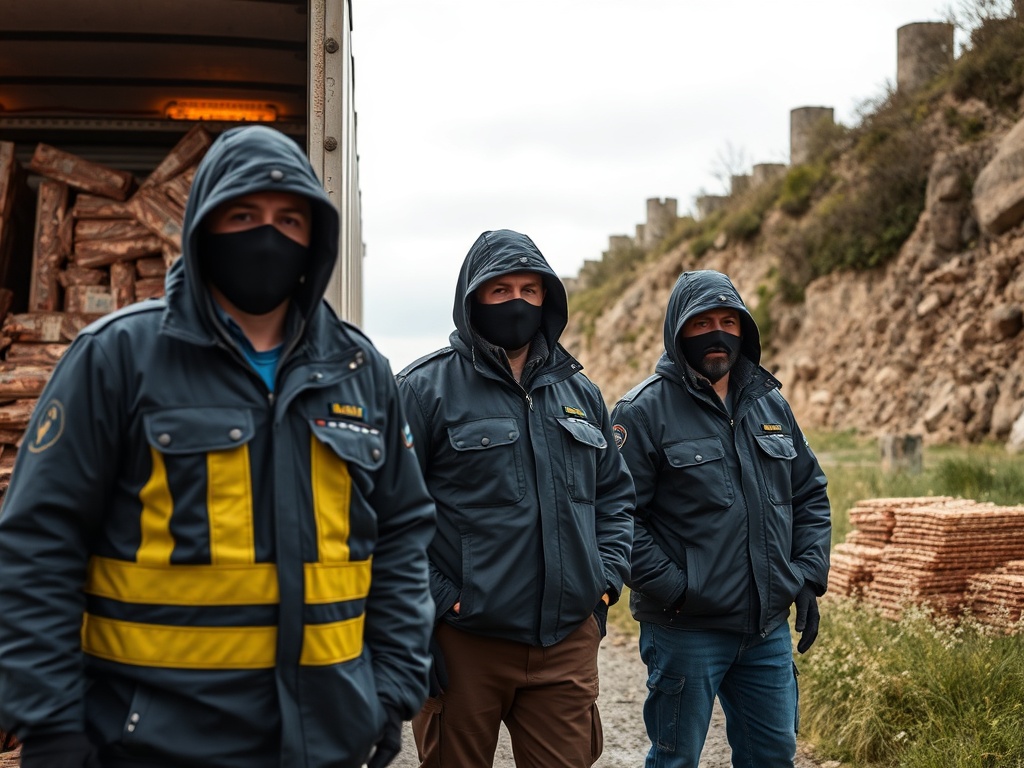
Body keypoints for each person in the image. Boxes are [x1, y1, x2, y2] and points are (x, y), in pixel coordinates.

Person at [0, 125, 435, 768]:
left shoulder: (359, 369)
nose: (268, 234)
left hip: (325, 741)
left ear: (316, 236)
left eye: (290, 218)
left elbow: (402, 536)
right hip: (149, 744)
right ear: (203, 225)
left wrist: (390, 692)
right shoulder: (118, 358)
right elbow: (38, 547)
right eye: (243, 214)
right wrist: (52, 724)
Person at [395, 229, 635, 768]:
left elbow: (616, 497)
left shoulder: (580, 394)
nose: (517, 302)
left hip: (565, 642)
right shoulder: (422, 390)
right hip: (464, 642)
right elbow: (382, 514)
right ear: (472, 298)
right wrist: (432, 605)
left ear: (548, 298)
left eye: (530, 289)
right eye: (500, 290)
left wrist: (602, 584)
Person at [610, 269, 831, 768]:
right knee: (675, 759)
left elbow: (810, 493)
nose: (717, 334)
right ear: (677, 331)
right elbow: (619, 518)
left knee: (773, 755)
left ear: (745, 329)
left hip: (765, 629)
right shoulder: (642, 411)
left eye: (728, 321)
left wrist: (807, 578)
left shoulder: (769, 404)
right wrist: (681, 588)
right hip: (685, 631)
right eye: (701, 323)